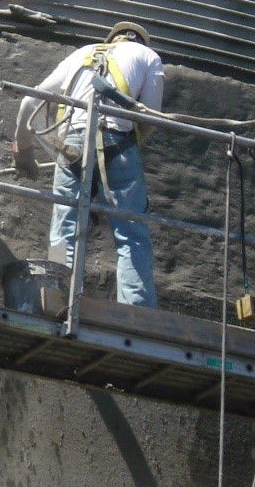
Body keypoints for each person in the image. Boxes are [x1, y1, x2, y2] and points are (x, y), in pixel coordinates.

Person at [12, 20, 164, 308]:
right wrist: (128, 149)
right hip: (119, 144)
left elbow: (29, 102)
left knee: (63, 226)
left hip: (71, 144)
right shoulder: (148, 57)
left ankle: (56, 298)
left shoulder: (81, 54)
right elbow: (150, 116)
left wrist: (23, 150)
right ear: (140, 41)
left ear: (112, 38)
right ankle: (137, 312)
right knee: (132, 233)